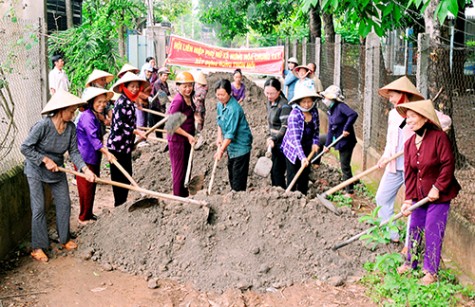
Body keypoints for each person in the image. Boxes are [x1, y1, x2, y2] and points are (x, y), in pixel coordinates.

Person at [20, 90, 96, 262]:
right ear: (61, 110)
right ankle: (38, 247)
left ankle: (64, 239)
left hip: (57, 170)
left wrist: (85, 170)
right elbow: (25, 147)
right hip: (36, 169)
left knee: (64, 203)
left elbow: (74, 152)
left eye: (75, 110)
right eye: (71, 110)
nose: (74, 113)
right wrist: (44, 159)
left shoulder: (71, 128)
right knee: (38, 208)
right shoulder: (43, 126)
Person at [377, 76, 452, 246]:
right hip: (395, 165)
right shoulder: (394, 114)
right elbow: (391, 139)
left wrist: (426, 130)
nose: (390, 99)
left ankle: (408, 245)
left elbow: (446, 120)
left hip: (417, 167)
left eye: (392, 95)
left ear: (403, 94)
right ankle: (392, 233)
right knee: (382, 197)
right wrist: (385, 155)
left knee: (412, 206)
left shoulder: (419, 109)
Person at [396, 99, 461, 285]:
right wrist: (408, 199)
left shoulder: (438, 137)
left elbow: (448, 164)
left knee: (433, 229)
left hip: (440, 195)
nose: (408, 120)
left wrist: (438, 187)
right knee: (414, 226)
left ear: (424, 118)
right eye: (407, 117)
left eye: (412, 116)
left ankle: (431, 271)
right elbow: (409, 173)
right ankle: (410, 263)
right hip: (419, 194)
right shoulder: (409, 143)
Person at [107, 72, 149, 206]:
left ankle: (122, 202)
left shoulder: (130, 101)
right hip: (116, 147)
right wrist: (135, 131)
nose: (135, 89)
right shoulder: (121, 102)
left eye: (137, 86)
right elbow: (120, 124)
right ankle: (119, 204)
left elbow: (129, 122)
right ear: (125, 87)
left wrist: (133, 137)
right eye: (132, 86)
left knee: (127, 174)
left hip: (126, 145)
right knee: (119, 177)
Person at [76, 88, 115, 225]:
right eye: (99, 102)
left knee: (91, 186)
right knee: (85, 188)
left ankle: (89, 213)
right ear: (91, 102)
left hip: (94, 156)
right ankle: (83, 217)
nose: (102, 104)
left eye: (104, 102)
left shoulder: (95, 115)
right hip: (85, 156)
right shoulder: (87, 116)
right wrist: (107, 153)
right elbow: (93, 139)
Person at [214, 79, 253, 192]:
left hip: (241, 146)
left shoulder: (234, 109)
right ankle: (234, 194)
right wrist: (219, 136)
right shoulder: (220, 105)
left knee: (238, 178)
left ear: (229, 93)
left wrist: (221, 150)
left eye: (223, 94)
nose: (220, 97)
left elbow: (230, 134)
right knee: (231, 173)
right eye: (218, 94)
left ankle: (239, 199)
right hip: (231, 146)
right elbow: (220, 122)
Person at [321, 85, 358, 198]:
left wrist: (346, 128)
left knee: (344, 165)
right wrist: (327, 145)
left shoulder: (341, 106)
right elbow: (331, 129)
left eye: (327, 98)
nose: (325, 100)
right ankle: (350, 184)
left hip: (347, 141)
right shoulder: (331, 110)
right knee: (344, 165)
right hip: (339, 140)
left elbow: (353, 114)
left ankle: (350, 191)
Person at [281, 88, 320, 194]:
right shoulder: (294, 115)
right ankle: (290, 197)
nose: (307, 104)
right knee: (293, 174)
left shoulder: (314, 112)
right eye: (304, 102)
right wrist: (302, 158)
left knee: (304, 174)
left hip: (307, 147)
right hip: (293, 149)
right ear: (299, 102)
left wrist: (315, 143)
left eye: (309, 101)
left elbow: (316, 131)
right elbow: (295, 140)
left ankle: (302, 196)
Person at [168, 72, 197, 197]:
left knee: (186, 169)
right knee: (179, 171)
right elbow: (172, 125)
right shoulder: (178, 101)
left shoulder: (189, 97)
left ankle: (184, 196)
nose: (188, 89)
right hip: (177, 141)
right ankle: (178, 198)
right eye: (184, 86)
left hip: (186, 140)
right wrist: (188, 135)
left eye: (190, 85)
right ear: (178, 86)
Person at [264, 77, 291, 189]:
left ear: (279, 91)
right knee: (273, 172)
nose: (269, 96)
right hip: (274, 142)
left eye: (272, 93)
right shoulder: (270, 102)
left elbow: (285, 126)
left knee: (277, 172)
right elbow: (270, 124)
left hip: (283, 144)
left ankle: (282, 194)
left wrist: (274, 138)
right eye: (266, 93)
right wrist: (269, 137)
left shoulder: (284, 106)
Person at [150, 67, 171, 138]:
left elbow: (168, 94)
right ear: (160, 75)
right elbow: (162, 95)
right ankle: (159, 138)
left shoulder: (165, 83)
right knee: (158, 123)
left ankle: (160, 137)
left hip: (162, 106)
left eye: (167, 75)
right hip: (156, 106)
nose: (166, 77)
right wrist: (171, 100)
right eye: (164, 75)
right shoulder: (157, 83)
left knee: (162, 123)